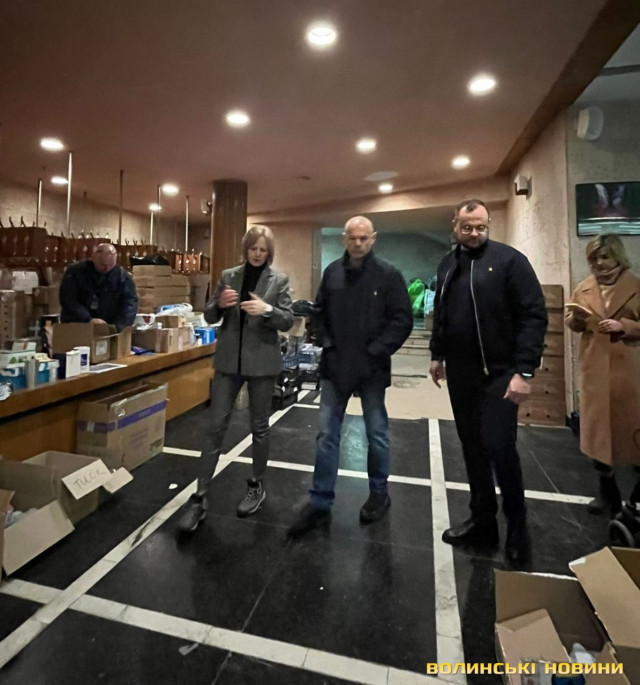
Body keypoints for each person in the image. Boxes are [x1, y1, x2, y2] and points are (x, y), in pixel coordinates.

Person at [429, 199, 547, 563]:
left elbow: (533, 316)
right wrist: (437, 354)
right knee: (472, 448)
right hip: (461, 375)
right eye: (467, 227)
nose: (474, 233)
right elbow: (442, 314)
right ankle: (482, 522)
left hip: (499, 375)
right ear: (455, 226)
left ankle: (518, 529)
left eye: (481, 227)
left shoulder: (510, 262)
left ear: (488, 225)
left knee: (500, 449)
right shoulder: (448, 264)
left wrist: (524, 371)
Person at [288, 216, 413, 537]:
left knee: (377, 433)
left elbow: (402, 320)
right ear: (345, 239)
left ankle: (379, 493)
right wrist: (327, 343)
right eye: (353, 238)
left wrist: (375, 351)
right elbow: (320, 312)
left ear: (373, 238)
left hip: (371, 368)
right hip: (336, 366)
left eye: (363, 238)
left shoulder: (388, 275)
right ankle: (320, 502)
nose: (358, 243)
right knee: (326, 435)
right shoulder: (332, 273)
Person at [178, 225, 293, 531]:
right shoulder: (229, 276)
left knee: (259, 427)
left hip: (262, 364)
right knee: (214, 427)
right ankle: (200, 496)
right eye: (253, 248)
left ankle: (256, 484)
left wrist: (267, 309)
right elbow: (209, 316)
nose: (257, 254)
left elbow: (288, 320)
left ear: (269, 253)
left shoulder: (278, 280)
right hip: (229, 363)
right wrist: (219, 304)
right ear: (246, 249)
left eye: (263, 250)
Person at [564, 234, 640, 516]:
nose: (599, 264)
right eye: (594, 259)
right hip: (595, 371)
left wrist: (625, 326)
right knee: (598, 436)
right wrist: (576, 319)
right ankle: (607, 493)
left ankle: (634, 499)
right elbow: (572, 322)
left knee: (631, 432)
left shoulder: (635, 286)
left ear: (617, 256)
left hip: (629, 372)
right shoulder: (584, 288)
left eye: (605, 257)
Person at [59, 242, 138, 331]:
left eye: (111, 265)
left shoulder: (122, 275)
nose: (107, 268)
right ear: (93, 258)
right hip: (77, 324)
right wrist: (87, 319)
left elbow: (130, 302)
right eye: (103, 265)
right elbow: (68, 299)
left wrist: (119, 326)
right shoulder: (76, 271)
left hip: (108, 325)